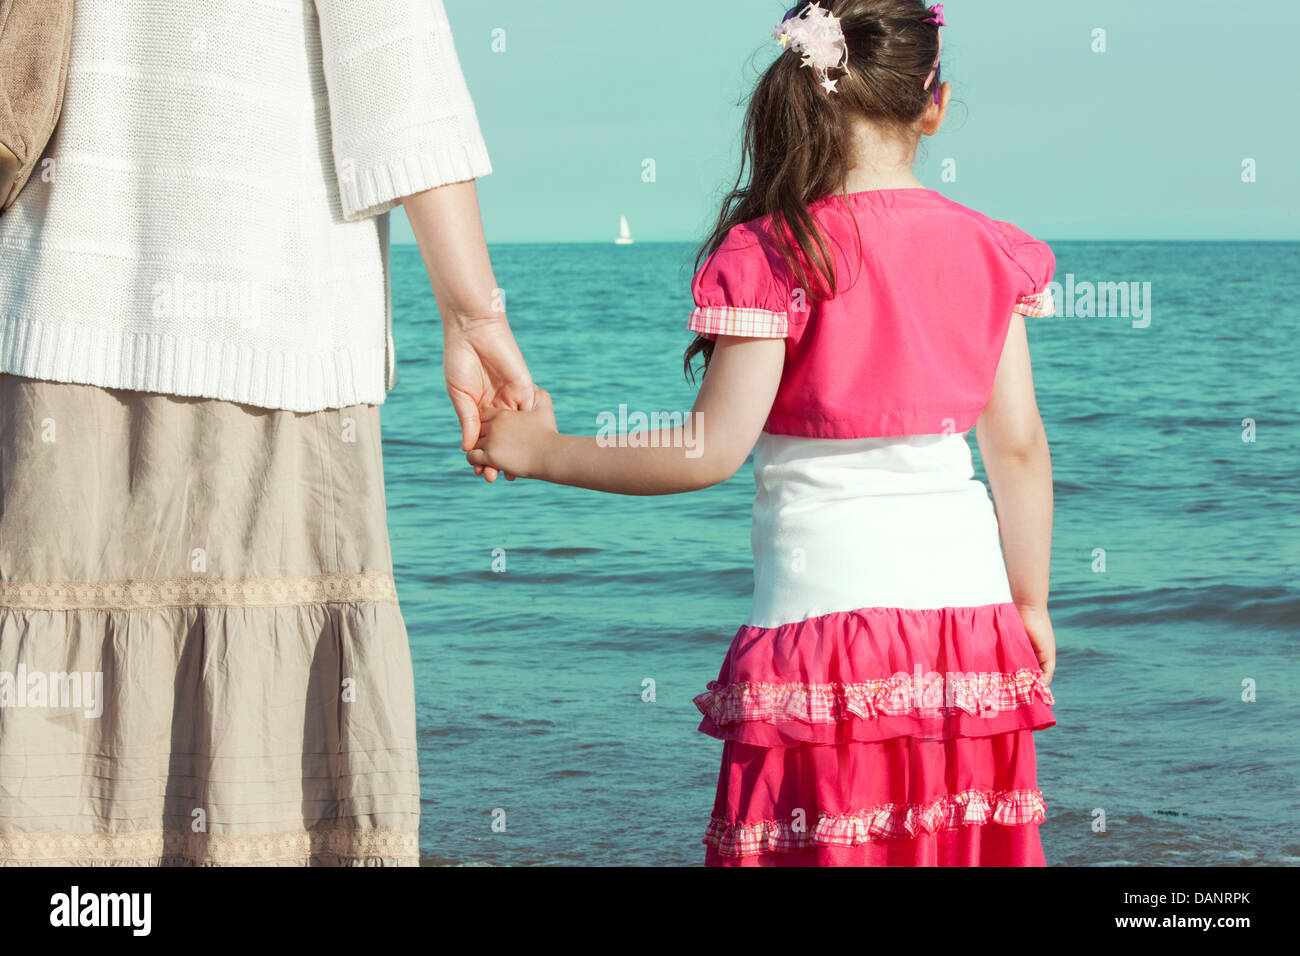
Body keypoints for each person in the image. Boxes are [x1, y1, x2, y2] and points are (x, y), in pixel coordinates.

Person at [468, 0, 1059, 866]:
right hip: (965, 628)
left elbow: (708, 449)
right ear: (934, 105)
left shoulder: (774, 254)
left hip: (821, 631)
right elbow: (1016, 449)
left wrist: (541, 451)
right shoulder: (990, 252)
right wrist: (1031, 601)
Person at [0, 0, 533, 865]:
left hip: (56, 304)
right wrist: (473, 312)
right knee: (257, 767)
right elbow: (396, 69)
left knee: (63, 761)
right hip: (270, 323)